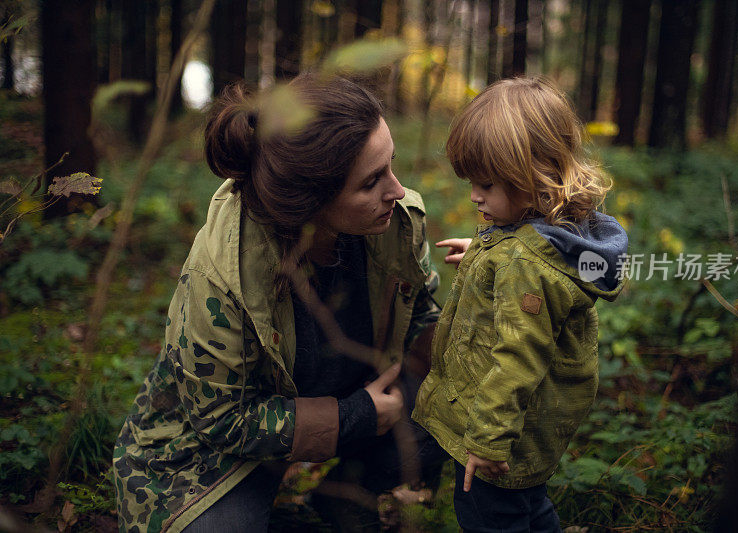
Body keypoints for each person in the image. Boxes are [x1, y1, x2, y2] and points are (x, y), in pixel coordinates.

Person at [112, 74, 445, 533]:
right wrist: (356, 416)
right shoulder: (223, 275)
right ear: (309, 201)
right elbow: (223, 419)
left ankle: (346, 505)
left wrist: (483, 304)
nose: (397, 190)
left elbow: (422, 318)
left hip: (355, 399)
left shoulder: (397, 224)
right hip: (219, 453)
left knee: (458, 402)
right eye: (371, 182)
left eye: (391, 165)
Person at [411, 77, 628, 532]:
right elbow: (543, 268)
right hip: (530, 427)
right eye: (471, 181)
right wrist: (484, 254)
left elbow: (518, 357)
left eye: (486, 183)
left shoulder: (523, 265)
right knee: (529, 505)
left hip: (503, 433)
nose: (474, 195)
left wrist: (487, 442)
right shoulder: (555, 233)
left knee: (491, 517)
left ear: (537, 177)